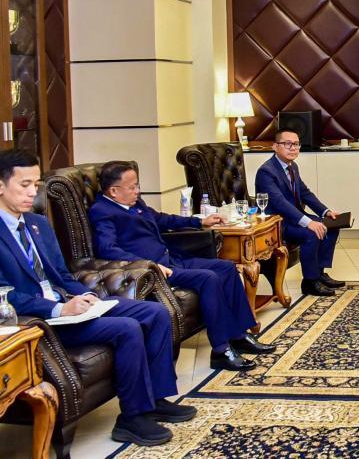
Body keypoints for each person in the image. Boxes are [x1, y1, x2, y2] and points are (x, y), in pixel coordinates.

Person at [0, 149, 195, 447]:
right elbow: (6, 294)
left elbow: (62, 275)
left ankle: (155, 399)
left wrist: (87, 296)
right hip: (40, 321)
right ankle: (131, 419)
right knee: (127, 328)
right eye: (24, 185)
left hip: (68, 306)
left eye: (36, 185)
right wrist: (58, 308)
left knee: (154, 313)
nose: (32, 193)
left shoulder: (37, 224)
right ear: (1, 186)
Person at [90, 161, 273, 372]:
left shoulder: (136, 203)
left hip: (172, 258)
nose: (137, 191)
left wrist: (199, 222)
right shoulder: (102, 211)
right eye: (132, 187)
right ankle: (221, 350)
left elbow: (162, 219)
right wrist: (148, 265)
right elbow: (107, 249)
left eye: (137, 185)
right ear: (113, 191)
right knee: (208, 278)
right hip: (153, 271)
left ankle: (239, 335)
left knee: (226, 268)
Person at [255, 129, 344, 297]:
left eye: (296, 144)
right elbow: (279, 203)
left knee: (332, 225)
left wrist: (325, 212)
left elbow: (305, 193)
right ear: (275, 146)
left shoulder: (292, 166)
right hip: (278, 222)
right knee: (311, 233)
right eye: (287, 144)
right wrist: (308, 222)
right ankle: (310, 282)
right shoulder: (266, 171)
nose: (293, 148)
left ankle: (319, 273)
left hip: (294, 217)